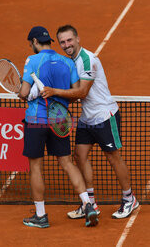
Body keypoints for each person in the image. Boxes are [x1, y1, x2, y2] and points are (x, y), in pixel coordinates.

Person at [39, 24, 139, 219]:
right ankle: (90, 203)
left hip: (104, 115)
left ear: (77, 39)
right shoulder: (71, 62)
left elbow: (82, 92)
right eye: (62, 42)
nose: (66, 44)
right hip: (87, 117)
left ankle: (129, 199)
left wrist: (54, 92)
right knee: (80, 155)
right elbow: (75, 94)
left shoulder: (87, 60)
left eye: (69, 40)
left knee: (113, 157)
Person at [18, 26, 98, 228]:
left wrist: (27, 91)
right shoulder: (67, 62)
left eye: (31, 43)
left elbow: (24, 92)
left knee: (36, 167)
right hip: (59, 120)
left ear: (35, 42)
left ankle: (41, 216)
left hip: (36, 121)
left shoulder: (32, 60)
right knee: (67, 163)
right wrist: (55, 96)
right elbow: (75, 92)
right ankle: (88, 205)